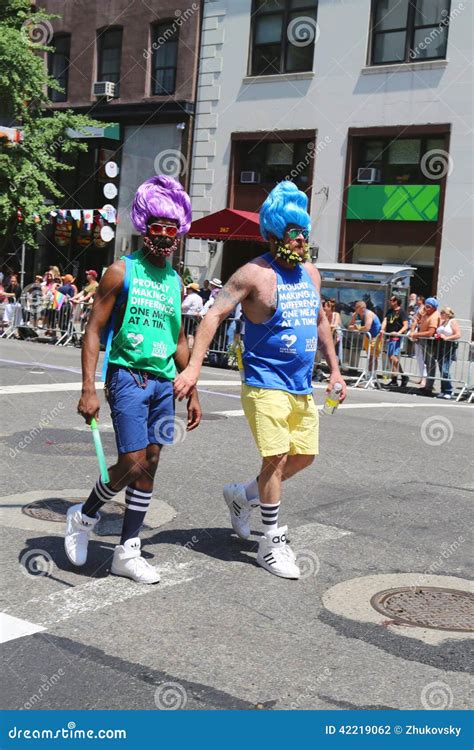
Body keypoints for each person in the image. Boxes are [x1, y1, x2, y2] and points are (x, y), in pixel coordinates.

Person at [174, 181, 346, 580]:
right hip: (264, 382)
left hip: (301, 385)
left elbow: (320, 321)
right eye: (293, 234)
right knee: (277, 458)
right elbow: (213, 315)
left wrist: (336, 369)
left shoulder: (311, 274)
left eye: (304, 233)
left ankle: (243, 496)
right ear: (272, 236)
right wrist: (194, 367)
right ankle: (272, 542)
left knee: (304, 458)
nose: (301, 241)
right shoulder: (253, 274)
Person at [64, 175, 202, 584]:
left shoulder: (176, 282)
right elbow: (93, 331)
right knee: (132, 460)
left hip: (164, 383)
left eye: (170, 228)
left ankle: (127, 549)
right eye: (156, 227)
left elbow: (178, 339)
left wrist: (192, 387)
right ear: (145, 228)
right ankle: (85, 515)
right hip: (126, 377)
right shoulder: (121, 272)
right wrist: (88, 387)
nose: (163, 235)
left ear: (178, 233)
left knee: (152, 462)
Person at [409, 296, 440, 396]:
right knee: (427, 363)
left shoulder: (434, 316)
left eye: (429, 307)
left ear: (434, 307)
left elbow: (430, 332)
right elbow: (416, 318)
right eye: (426, 306)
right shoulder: (425, 311)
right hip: (423, 341)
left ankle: (429, 387)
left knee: (431, 364)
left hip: (431, 343)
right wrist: (413, 330)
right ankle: (427, 385)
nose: (426, 308)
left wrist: (415, 334)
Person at [381, 295, 409, 388]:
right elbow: (385, 320)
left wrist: (398, 333)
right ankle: (403, 377)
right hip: (389, 336)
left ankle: (394, 380)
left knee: (392, 357)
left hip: (396, 337)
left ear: (396, 301)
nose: (390, 301)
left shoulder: (402, 312)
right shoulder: (389, 311)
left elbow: (405, 325)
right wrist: (382, 329)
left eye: (391, 300)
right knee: (391, 358)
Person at [348, 300, 382, 374]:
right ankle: (370, 375)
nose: (355, 308)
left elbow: (367, 328)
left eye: (356, 307)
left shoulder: (368, 314)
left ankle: (372, 375)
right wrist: (354, 316)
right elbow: (350, 326)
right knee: (370, 357)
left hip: (375, 337)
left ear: (361, 307)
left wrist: (357, 328)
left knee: (373, 357)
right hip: (368, 337)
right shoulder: (359, 314)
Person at [435, 307, 461, 399]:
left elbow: (458, 334)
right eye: (441, 312)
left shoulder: (453, 321)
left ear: (449, 314)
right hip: (440, 346)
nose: (441, 314)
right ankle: (443, 390)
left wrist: (447, 338)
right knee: (442, 369)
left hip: (449, 347)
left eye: (443, 312)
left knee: (445, 370)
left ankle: (449, 390)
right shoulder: (443, 322)